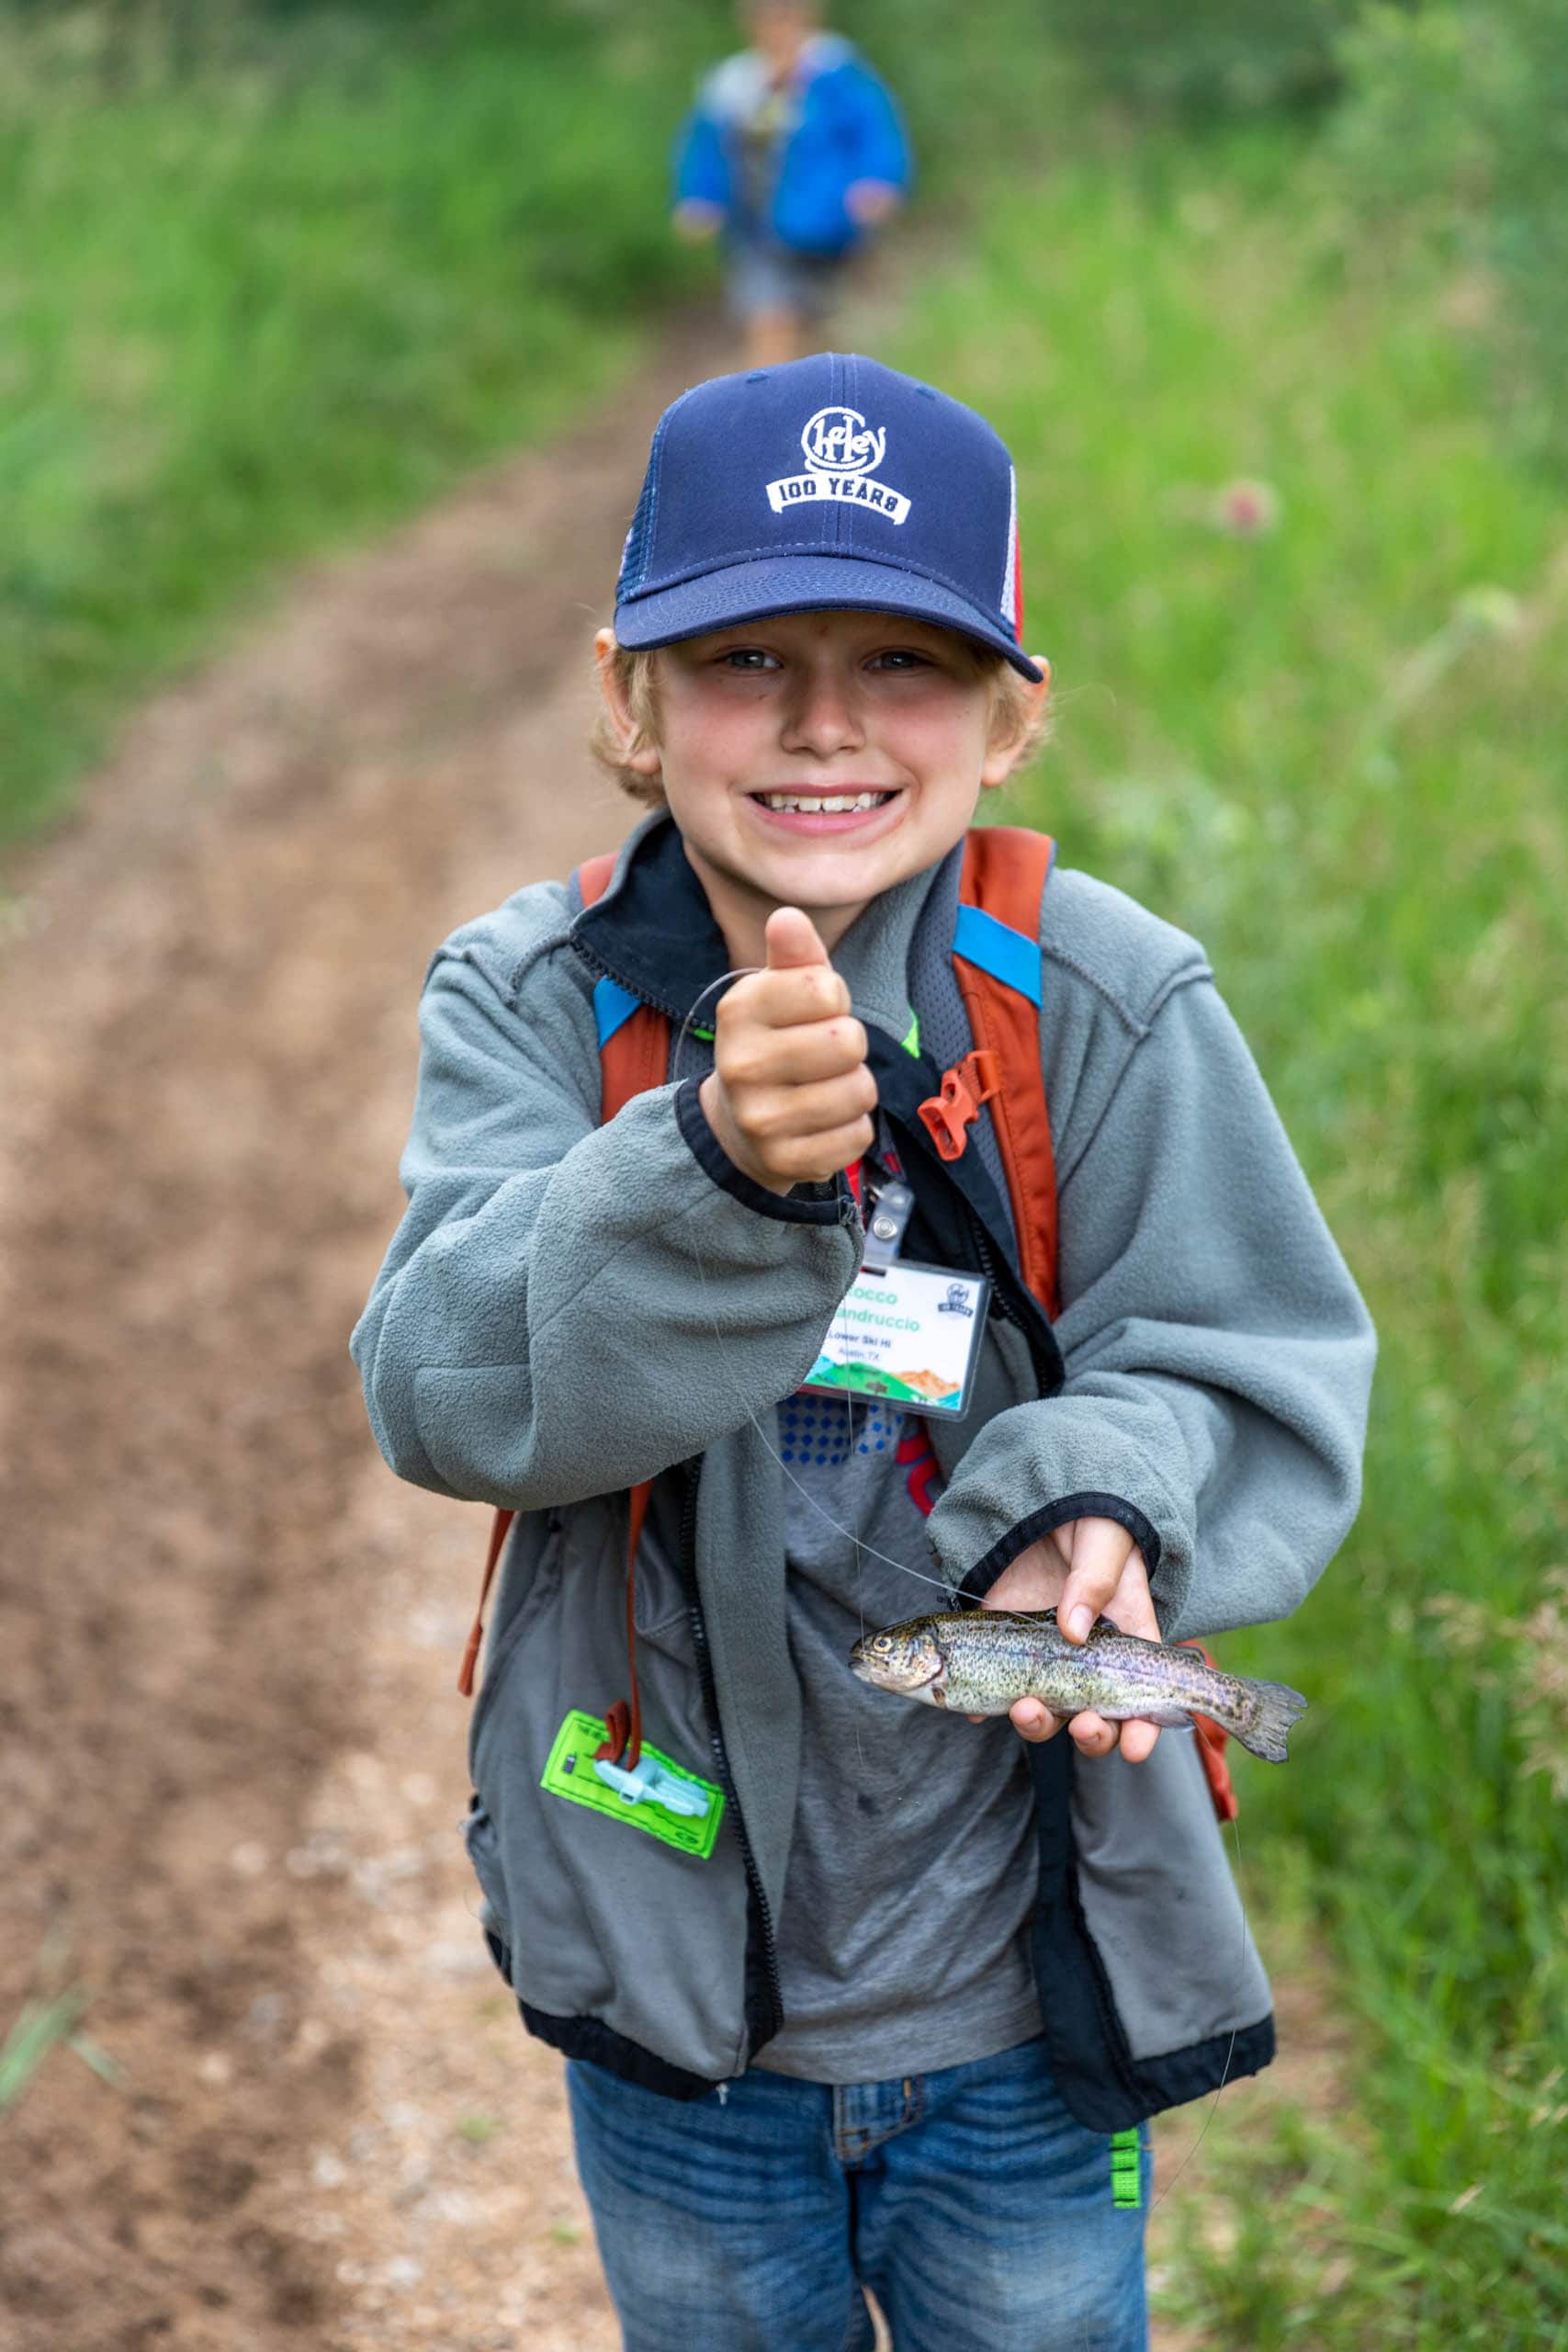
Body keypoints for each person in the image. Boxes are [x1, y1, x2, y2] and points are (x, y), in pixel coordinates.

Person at [352, 352, 1375, 2351]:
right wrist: (711, 1168)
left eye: (903, 660)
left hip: (1019, 1999)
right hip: (673, 2012)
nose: (824, 721)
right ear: (626, 703)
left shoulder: (1104, 1001)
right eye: (743, 654)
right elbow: (443, 1389)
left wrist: (1094, 1497)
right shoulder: (530, 1000)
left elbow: (1238, 1355)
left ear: (1012, 716)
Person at [673, 3, 910, 368]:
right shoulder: (733, 83)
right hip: (759, 231)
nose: (777, 25)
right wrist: (701, 198)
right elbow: (707, 148)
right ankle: (771, 413)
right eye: (766, 16)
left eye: (786, 14)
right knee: (769, 321)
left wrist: (877, 182)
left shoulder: (837, 73)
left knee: (835, 328)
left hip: (831, 223)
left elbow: (875, 131)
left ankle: (836, 402)